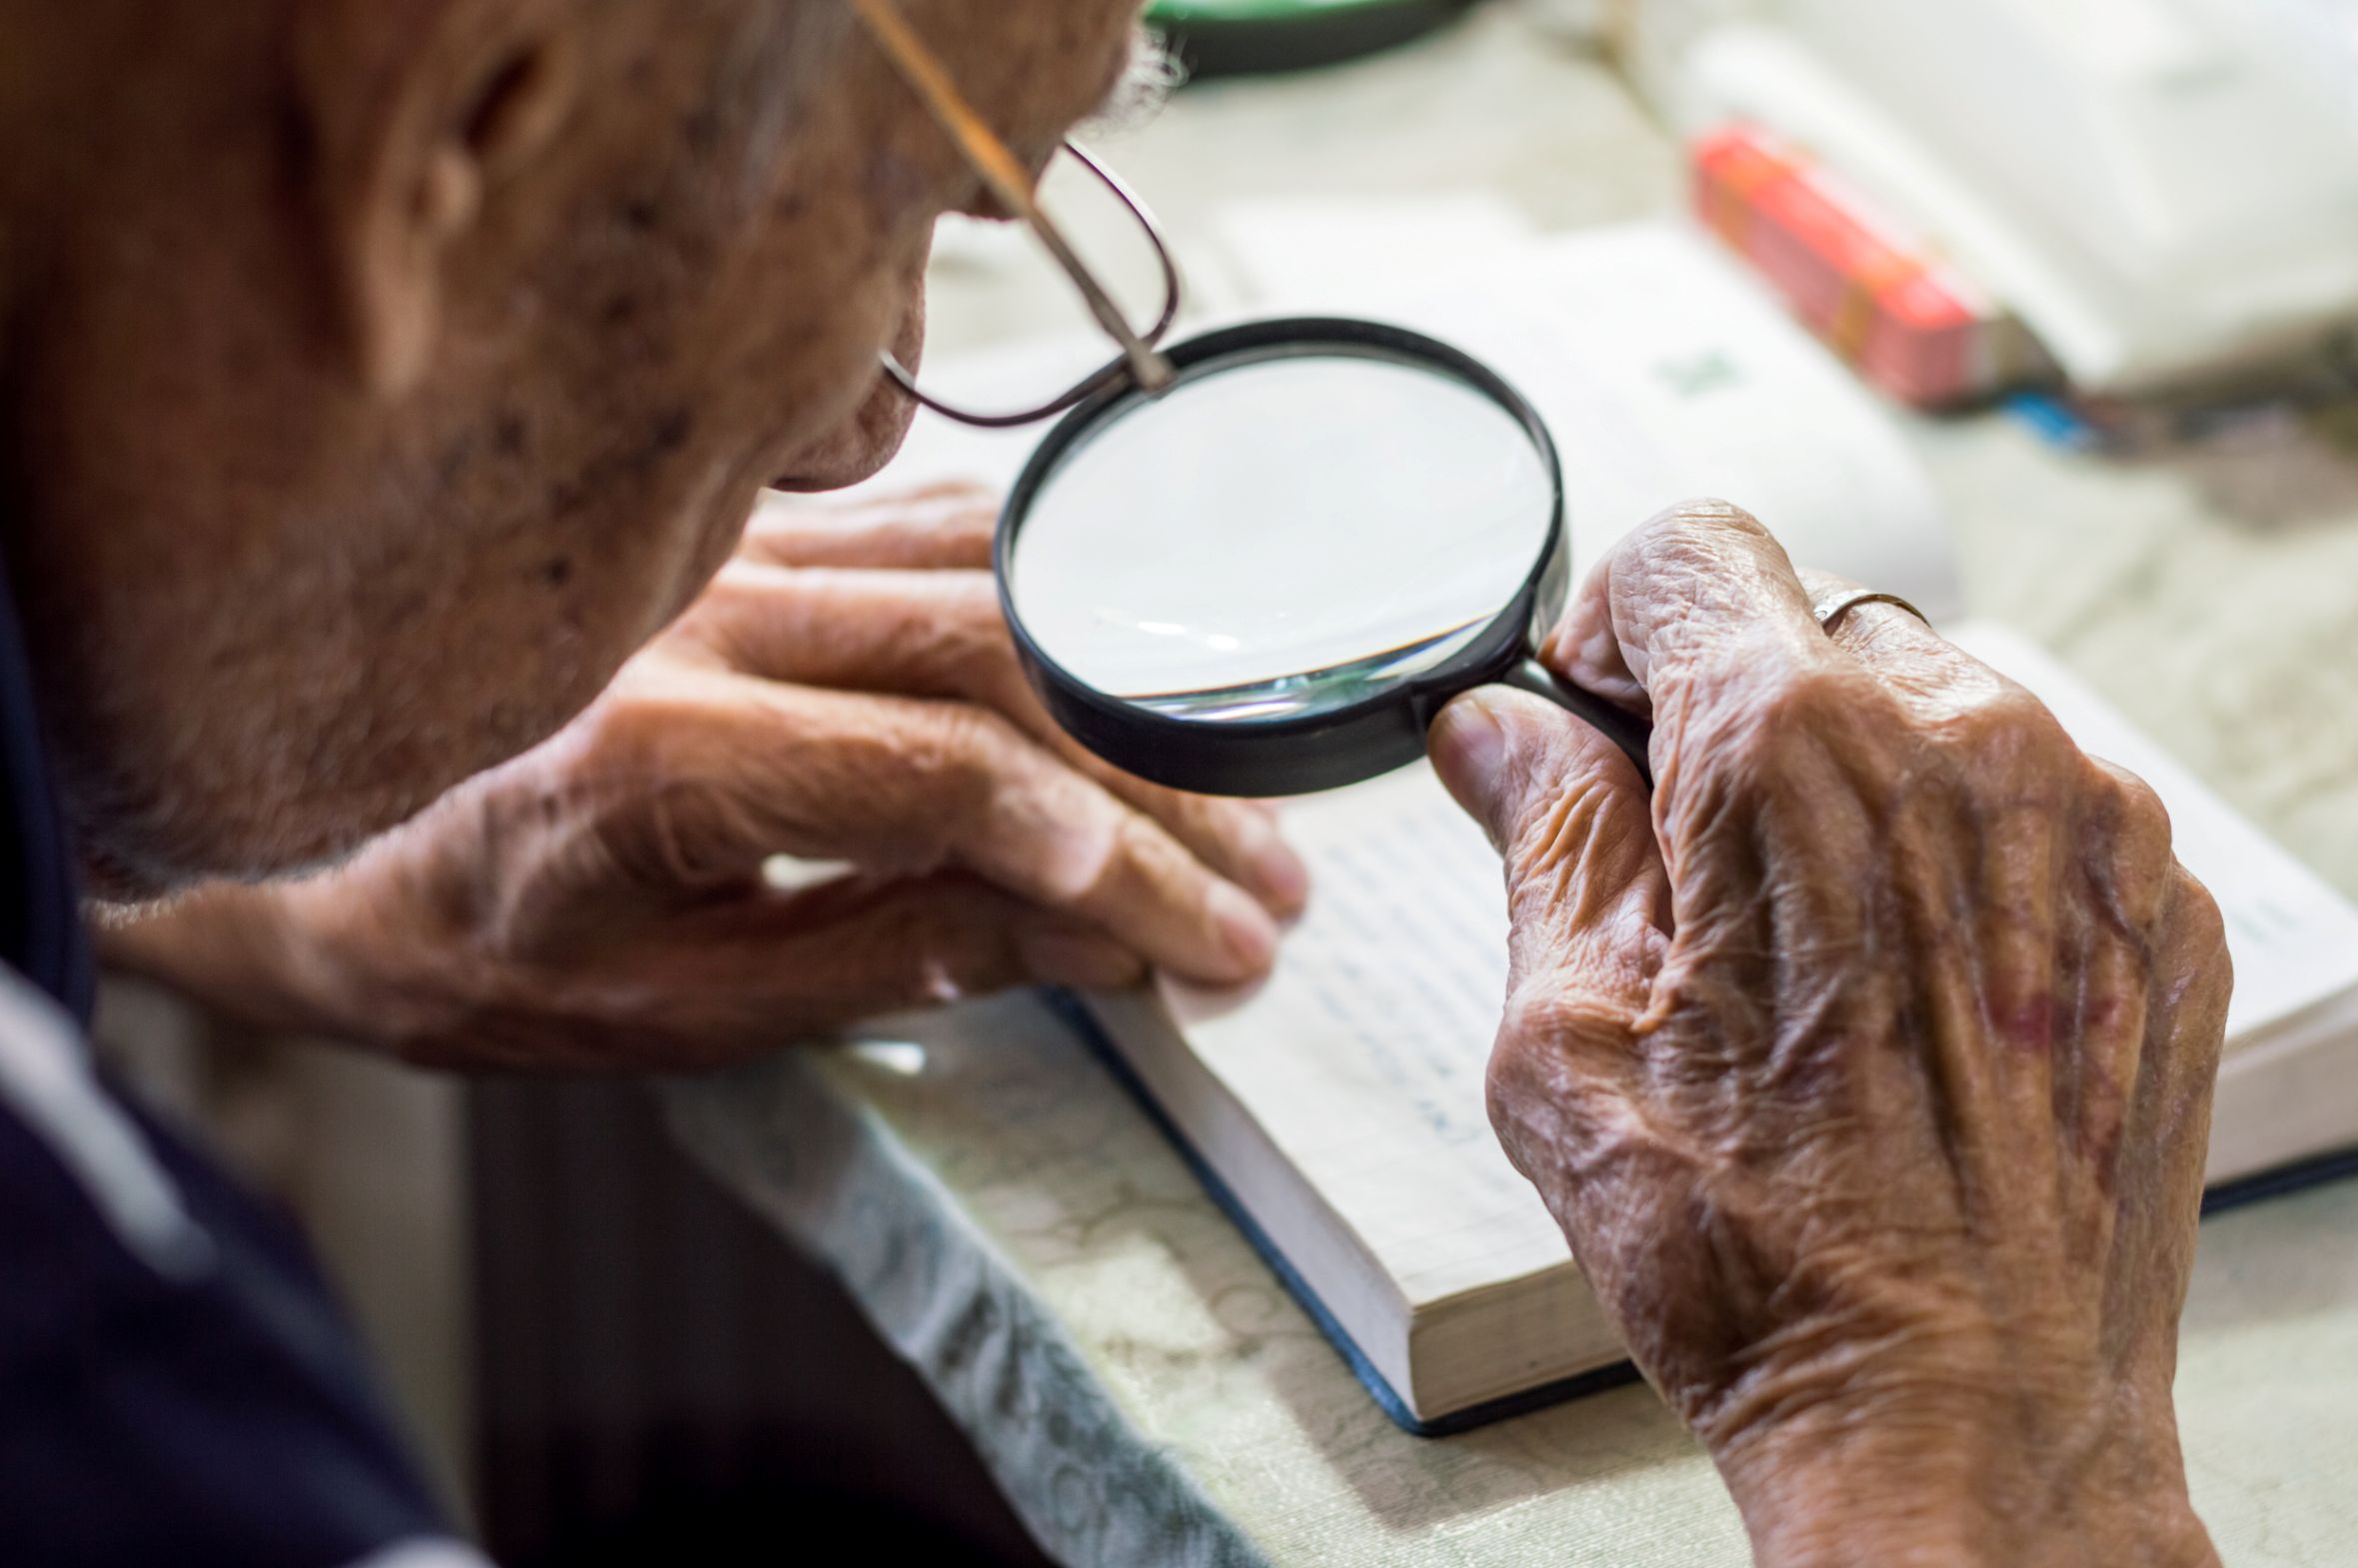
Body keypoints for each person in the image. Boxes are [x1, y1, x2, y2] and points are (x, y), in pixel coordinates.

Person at [0, 1, 2229, 1564]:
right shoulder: (98, 1409)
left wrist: (194, 778)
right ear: (457, 121)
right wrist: (1964, 1440)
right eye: (917, 207)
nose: (855, 435)